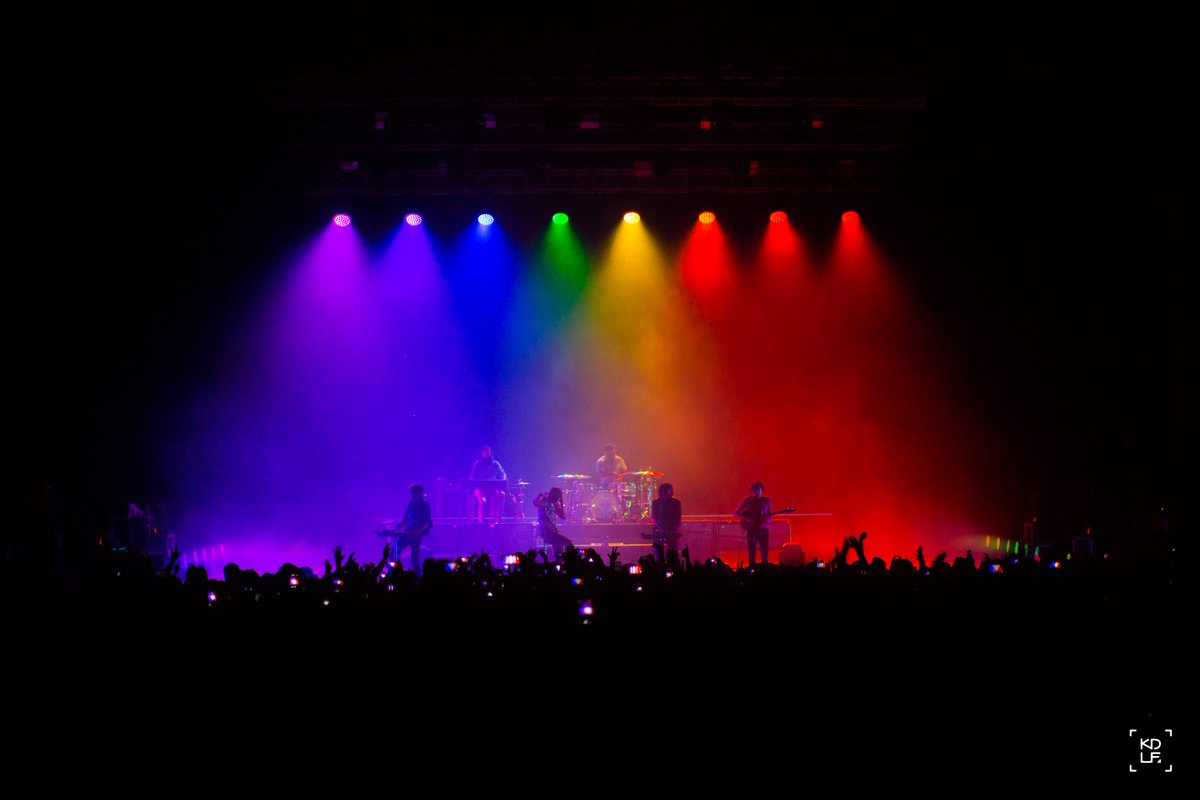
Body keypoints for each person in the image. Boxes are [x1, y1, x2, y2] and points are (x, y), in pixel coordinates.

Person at [395, 484, 432, 576]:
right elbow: (406, 518)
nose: (411, 495)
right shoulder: (411, 503)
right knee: (395, 551)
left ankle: (418, 576)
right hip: (408, 533)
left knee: (414, 557)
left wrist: (417, 532)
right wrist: (399, 526)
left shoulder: (425, 505)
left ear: (419, 493)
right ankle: (399, 572)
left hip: (416, 535)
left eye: (413, 493)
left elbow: (427, 522)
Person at [734, 481, 772, 567]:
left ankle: (764, 571)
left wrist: (768, 521)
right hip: (752, 530)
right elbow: (735, 513)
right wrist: (748, 519)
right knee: (752, 553)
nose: (757, 492)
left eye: (759, 490)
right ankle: (751, 572)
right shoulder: (747, 500)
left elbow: (770, 515)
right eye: (755, 490)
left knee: (764, 553)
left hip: (763, 529)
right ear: (752, 491)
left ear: (762, 490)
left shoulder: (766, 500)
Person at [469, 445, 507, 522]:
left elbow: (502, 474)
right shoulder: (478, 464)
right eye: (485, 453)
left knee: (501, 495)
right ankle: (481, 522)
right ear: (482, 454)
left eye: (488, 453)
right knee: (483, 501)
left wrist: (503, 481)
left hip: (493, 489)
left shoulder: (495, 464)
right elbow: (472, 477)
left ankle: (498, 520)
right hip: (480, 490)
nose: (487, 455)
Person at [648, 483, 682, 565]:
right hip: (660, 530)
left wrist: (673, 530)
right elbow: (655, 517)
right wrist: (662, 529)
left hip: (671, 530)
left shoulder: (676, 503)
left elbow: (677, 517)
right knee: (658, 553)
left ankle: (673, 566)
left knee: (673, 552)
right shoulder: (656, 503)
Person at [534, 487, 572, 559]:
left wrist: (561, 502)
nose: (558, 499)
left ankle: (560, 564)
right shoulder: (545, 502)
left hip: (554, 532)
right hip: (547, 532)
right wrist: (538, 496)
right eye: (558, 497)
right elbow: (535, 503)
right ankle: (568, 562)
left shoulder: (554, 505)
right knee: (568, 543)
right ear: (554, 496)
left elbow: (562, 516)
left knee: (560, 553)